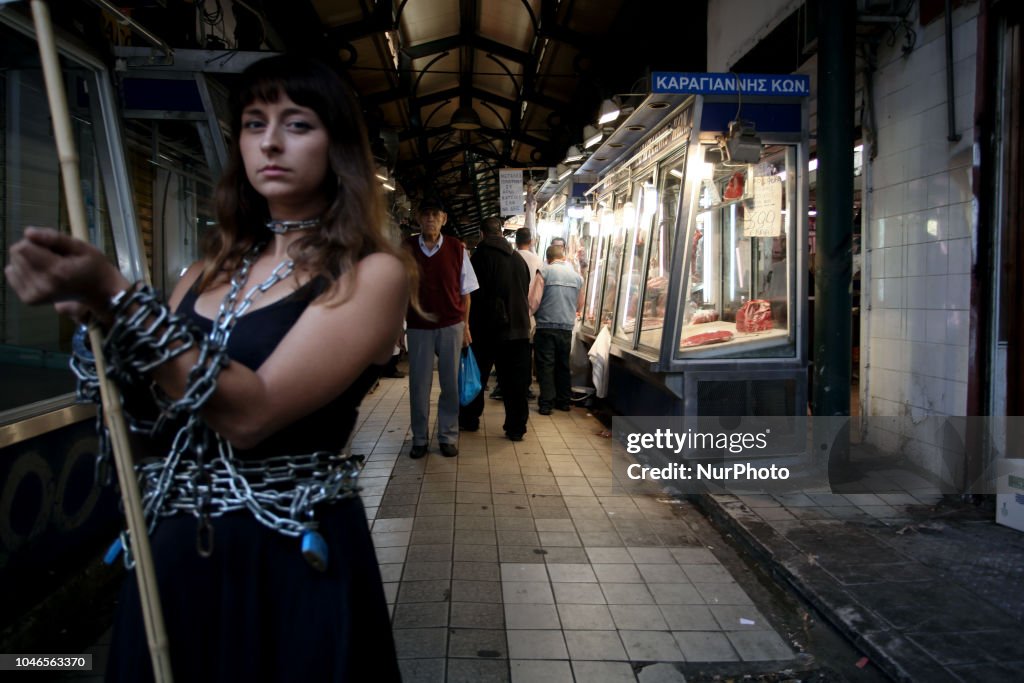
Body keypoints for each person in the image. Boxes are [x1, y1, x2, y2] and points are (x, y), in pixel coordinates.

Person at [5, 55, 408, 682]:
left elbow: (251, 414)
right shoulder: (204, 273)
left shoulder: (371, 276)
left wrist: (119, 297)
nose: (270, 141)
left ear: (340, 147)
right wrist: (102, 329)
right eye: (253, 123)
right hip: (178, 546)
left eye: (297, 124)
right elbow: (156, 410)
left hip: (288, 553)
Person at [404, 196, 478, 458]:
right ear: (418, 219)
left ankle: (447, 436)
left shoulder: (458, 249)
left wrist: (466, 326)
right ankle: (420, 438)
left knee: (450, 384)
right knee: (418, 385)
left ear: (444, 219)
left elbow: (466, 293)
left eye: (436, 214)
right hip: (418, 325)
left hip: (451, 325)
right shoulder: (407, 248)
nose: (430, 219)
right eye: (425, 214)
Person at [459, 217, 532, 440]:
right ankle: (516, 428)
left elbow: (472, 294)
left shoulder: (479, 257)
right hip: (519, 328)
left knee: (476, 376)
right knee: (515, 383)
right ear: (500, 233)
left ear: (481, 234)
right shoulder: (518, 259)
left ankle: (470, 419)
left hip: (487, 330)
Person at [530, 243, 584, 415]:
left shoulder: (544, 272)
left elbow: (534, 302)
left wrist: (529, 316)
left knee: (546, 365)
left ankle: (546, 403)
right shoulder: (577, 277)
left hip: (546, 326)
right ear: (564, 258)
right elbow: (580, 304)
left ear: (548, 259)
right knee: (562, 364)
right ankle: (564, 401)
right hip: (566, 328)